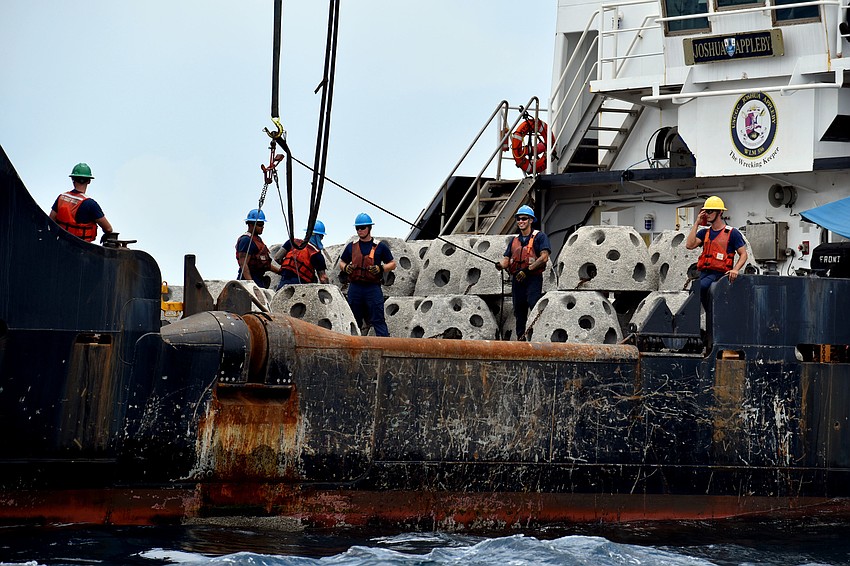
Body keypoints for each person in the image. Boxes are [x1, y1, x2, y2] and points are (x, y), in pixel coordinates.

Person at [495, 205, 551, 340]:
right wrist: (500, 265)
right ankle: (521, 340)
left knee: (533, 305)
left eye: (524, 218)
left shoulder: (540, 237)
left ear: (531, 220)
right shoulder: (514, 241)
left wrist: (527, 270)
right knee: (519, 310)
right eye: (518, 219)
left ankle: (538, 337)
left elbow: (544, 257)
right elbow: (506, 260)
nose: (521, 221)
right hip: (517, 280)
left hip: (533, 279)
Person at [685, 195, 748, 313]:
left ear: (719, 213)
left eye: (710, 211)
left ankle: (711, 317)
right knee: (695, 291)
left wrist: (735, 270)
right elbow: (689, 245)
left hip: (720, 274)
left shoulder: (732, 233)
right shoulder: (705, 233)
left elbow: (743, 254)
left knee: (699, 288)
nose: (707, 214)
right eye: (705, 211)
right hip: (704, 273)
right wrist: (696, 223)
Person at [338, 213, 396, 337]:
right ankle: (352, 346)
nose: (360, 230)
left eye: (363, 227)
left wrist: (381, 268)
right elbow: (342, 262)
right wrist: (346, 267)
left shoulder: (380, 246)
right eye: (357, 228)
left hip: (373, 288)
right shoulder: (351, 246)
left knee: (378, 319)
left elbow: (392, 264)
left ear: (369, 228)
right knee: (353, 319)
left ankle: (384, 346)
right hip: (355, 288)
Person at [49, 162, 114, 243]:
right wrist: (107, 234)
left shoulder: (61, 197)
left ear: (73, 179)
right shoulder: (90, 204)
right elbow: (108, 228)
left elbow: (51, 219)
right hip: (80, 249)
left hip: (60, 243)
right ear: (89, 181)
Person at [235, 208, 281, 288]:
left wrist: (281, 272)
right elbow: (244, 264)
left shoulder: (258, 240)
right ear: (251, 225)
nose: (262, 227)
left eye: (263, 224)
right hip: (248, 280)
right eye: (259, 225)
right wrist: (251, 284)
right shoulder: (246, 240)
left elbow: (266, 264)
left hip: (258, 279)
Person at [277, 220, 330, 288]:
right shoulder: (316, 254)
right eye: (321, 236)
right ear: (318, 236)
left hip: (283, 282)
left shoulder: (292, 242)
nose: (322, 238)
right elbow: (323, 278)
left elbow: (277, 258)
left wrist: (289, 267)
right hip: (301, 286)